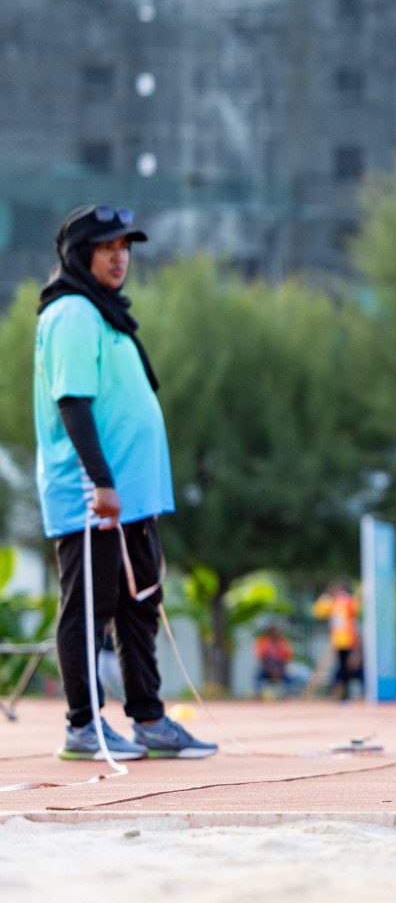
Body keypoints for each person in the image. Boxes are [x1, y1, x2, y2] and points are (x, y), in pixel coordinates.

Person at [34, 205, 216, 761]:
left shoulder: (106, 314)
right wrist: (102, 482)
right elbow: (73, 404)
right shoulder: (71, 313)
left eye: (126, 247)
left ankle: (150, 718)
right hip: (94, 496)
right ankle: (82, 727)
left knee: (139, 604)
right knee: (90, 606)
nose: (120, 257)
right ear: (79, 254)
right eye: (107, 247)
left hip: (133, 495)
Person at [313, 581, 362, 700]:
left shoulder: (338, 601)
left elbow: (319, 611)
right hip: (344, 639)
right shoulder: (347, 601)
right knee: (344, 666)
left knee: (344, 666)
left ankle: (341, 692)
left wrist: (326, 595)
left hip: (342, 639)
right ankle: (342, 692)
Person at [254, 623, 295, 698]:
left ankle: (287, 693)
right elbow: (261, 658)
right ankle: (257, 692)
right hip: (267, 668)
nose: (275, 633)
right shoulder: (263, 642)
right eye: (273, 631)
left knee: (290, 675)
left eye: (277, 631)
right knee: (258, 674)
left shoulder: (283, 642)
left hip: (280, 668)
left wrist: (278, 670)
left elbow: (287, 658)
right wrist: (271, 670)